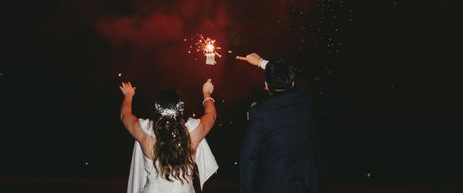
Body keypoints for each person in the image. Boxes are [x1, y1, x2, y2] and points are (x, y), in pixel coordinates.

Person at [236, 53, 321, 193]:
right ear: (292, 82)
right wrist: (262, 62)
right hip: (308, 185)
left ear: (266, 85)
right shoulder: (306, 98)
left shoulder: (260, 112)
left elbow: (249, 157)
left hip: (276, 186)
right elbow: (298, 80)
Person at [120, 79, 218, 193]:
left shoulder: (144, 132)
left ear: (157, 108)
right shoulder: (193, 133)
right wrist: (206, 92)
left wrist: (128, 94)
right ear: (181, 108)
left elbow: (124, 115)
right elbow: (212, 114)